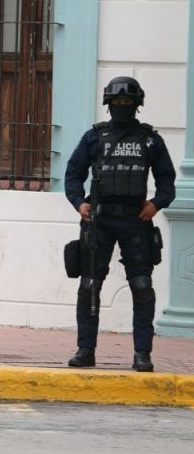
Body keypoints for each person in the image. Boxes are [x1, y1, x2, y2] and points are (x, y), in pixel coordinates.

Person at [64, 76, 175, 372]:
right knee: (89, 285)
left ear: (137, 105)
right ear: (108, 104)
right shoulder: (94, 137)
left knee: (141, 286)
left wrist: (155, 204)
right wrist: (79, 203)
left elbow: (168, 182)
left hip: (135, 220)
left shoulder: (151, 139)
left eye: (127, 102)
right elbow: (73, 173)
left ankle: (142, 354)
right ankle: (85, 350)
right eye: (117, 102)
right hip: (99, 219)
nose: (122, 106)